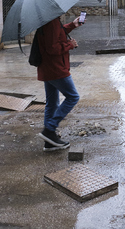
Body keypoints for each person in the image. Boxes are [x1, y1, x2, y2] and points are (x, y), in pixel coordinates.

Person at [35, 15, 83, 151]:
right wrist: (70, 45)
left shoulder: (48, 20)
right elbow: (52, 48)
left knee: (52, 102)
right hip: (56, 69)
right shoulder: (51, 22)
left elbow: (57, 35)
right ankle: (49, 129)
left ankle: (49, 141)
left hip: (48, 69)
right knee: (73, 97)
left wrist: (72, 25)